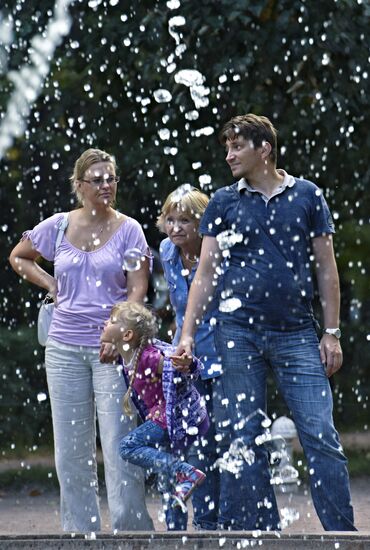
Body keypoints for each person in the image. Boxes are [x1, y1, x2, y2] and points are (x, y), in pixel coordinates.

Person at [176, 114, 356, 531]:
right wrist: (187, 334)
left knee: (320, 435)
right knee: (241, 438)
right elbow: (205, 273)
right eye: (226, 147)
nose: (229, 155)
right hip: (236, 332)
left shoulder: (308, 196)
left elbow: (327, 270)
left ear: (264, 149)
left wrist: (331, 333)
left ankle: (343, 536)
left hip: (297, 332)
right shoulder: (223, 201)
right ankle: (259, 534)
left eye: (237, 146)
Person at [9, 148, 154, 533]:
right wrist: (51, 283)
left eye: (111, 178)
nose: (107, 185)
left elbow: (137, 289)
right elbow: (19, 257)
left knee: (120, 445)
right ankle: (80, 534)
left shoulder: (130, 229)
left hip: (114, 350)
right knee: (71, 452)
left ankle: (132, 533)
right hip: (63, 350)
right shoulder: (57, 226)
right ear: (79, 186)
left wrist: (119, 332)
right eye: (98, 179)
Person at [100, 300, 209, 530]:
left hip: (172, 420)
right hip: (164, 419)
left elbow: (177, 364)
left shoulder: (147, 358)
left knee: (127, 447)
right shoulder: (126, 354)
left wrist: (187, 364)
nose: (104, 323)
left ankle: (186, 471)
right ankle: (175, 535)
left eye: (110, 321)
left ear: (127, 334)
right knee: (167, 485)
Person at [157, 184, 221, 530]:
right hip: (182, 360)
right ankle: (174, 525)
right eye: (171, 219)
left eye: (186, 220)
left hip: (217, 358)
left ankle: (210, 524)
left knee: (208, 447)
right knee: (175, 446)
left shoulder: (217, 252)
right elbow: (179, 309)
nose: (176, 227)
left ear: (202, 224)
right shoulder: (167, 250)